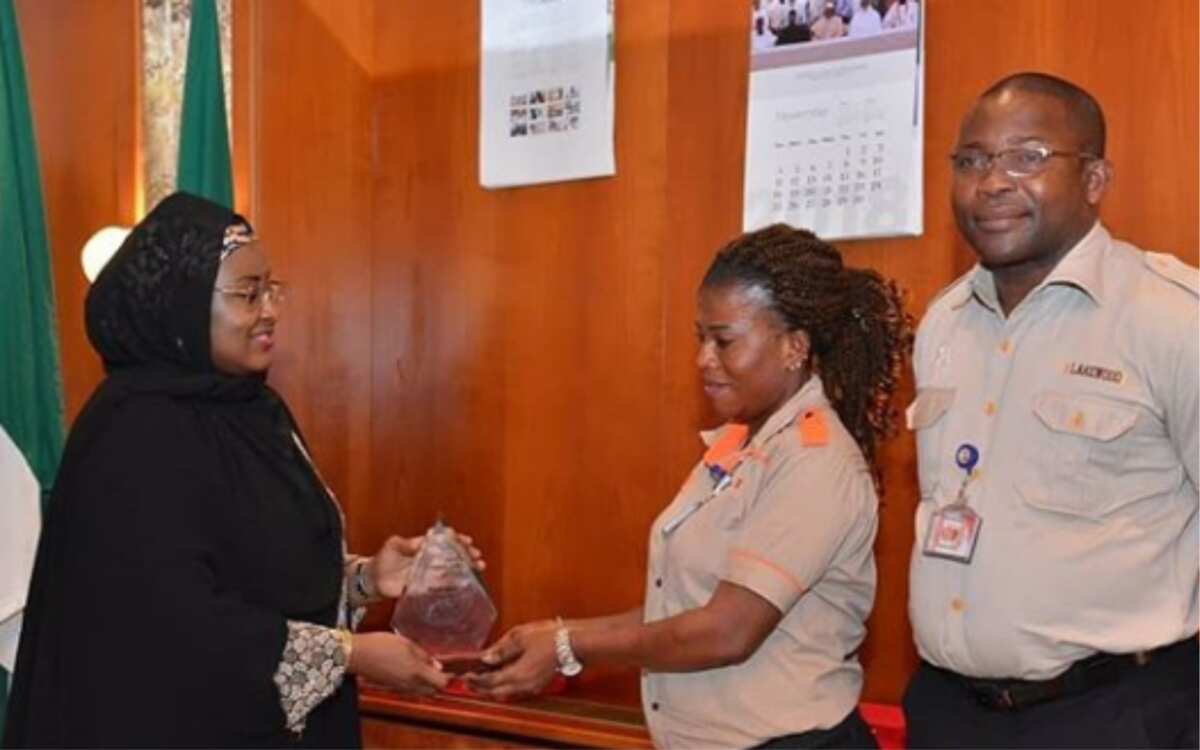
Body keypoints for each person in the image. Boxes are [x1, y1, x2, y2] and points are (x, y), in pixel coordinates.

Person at [3, 192, 482, 747]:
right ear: (180, 304)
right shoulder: (133, 432)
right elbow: (173, 621)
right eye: (247, 294)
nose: (270, 310)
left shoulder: (256, 412)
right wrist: (350, 654)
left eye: (272, 289)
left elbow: (258, 573)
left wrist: (367, 578)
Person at [467, 225, 913, 749]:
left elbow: (728, 631)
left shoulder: (815, 460)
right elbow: (686, 606)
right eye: (699, 337)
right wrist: (557, 636)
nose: (703, 359)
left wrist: (572, 644)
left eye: (723, 340)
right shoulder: (741, 442)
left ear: (794, 346)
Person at [904, 72, 1198, 748]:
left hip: (1111, 716)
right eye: (972, 160)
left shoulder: (1173, 319)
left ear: (1095, 179)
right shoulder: (944, 322)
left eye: (1027, 157)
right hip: (949, 712)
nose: (992, 182)